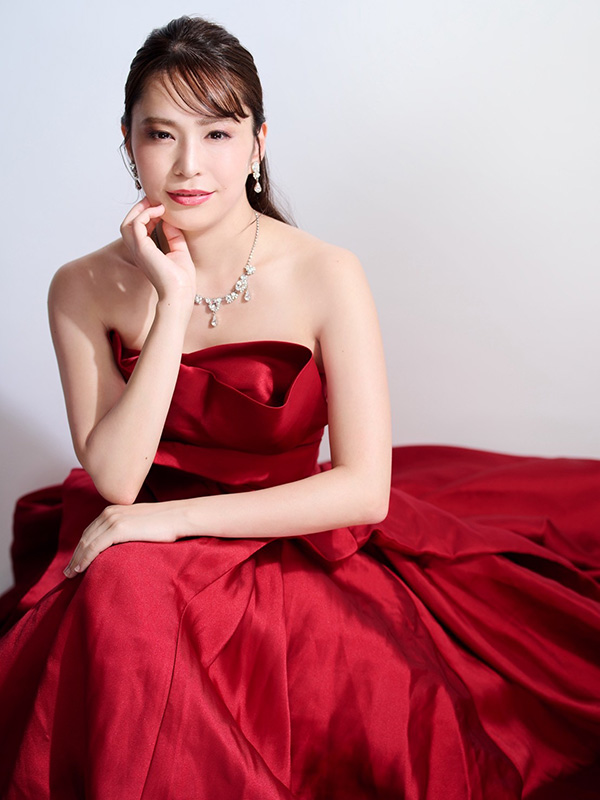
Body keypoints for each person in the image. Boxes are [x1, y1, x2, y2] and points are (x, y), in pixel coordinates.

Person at [0, 14, 599, 800]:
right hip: (136, 537)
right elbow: (116, 479)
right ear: (128, 143)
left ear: (258, 143)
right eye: (161, 134)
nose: (188, 164)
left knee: (130, 582)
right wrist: (172, 304)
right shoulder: (83, 285)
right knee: (126, 589)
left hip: (287, 536)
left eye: (218, 133)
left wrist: (168, 522)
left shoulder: (325, 273)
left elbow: (364, 490)